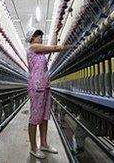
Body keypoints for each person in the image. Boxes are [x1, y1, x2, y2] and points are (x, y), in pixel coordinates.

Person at [25, 26, 72, 159]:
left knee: (44, 116)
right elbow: (55, 48)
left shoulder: (41, 51)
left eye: (40, 35)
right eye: (37, 35)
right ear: (32, 38)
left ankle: (44, 144)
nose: (40, 37)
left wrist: (56, 32)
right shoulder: (32, 48)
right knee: (35, 118)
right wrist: (72, 46)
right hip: (36, 86)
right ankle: (33, 148)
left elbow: (51, 47)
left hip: (45, 86)